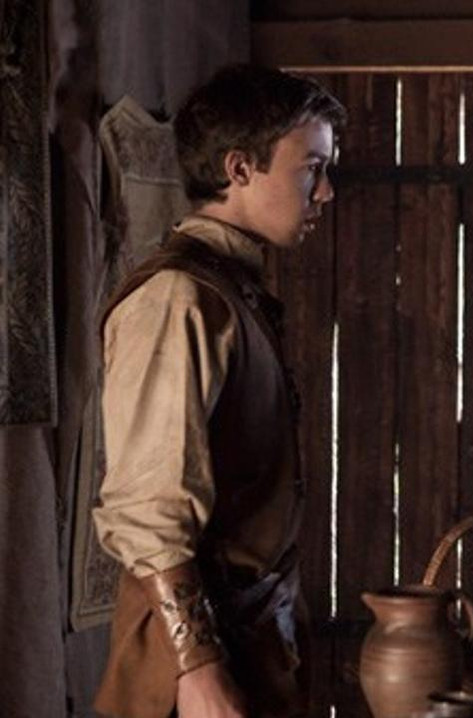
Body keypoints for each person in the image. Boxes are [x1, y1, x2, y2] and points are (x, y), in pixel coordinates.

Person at [92, 64, 344, 717]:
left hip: (250, 638)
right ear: (238, 168)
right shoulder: (178, 298)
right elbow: (148, 508)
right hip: (187, 666)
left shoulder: (231, 289)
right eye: (311, 168)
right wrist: (198, 665)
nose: (325, 192)